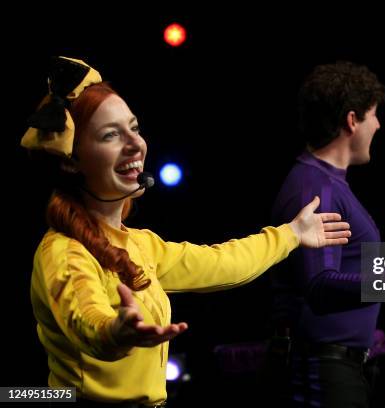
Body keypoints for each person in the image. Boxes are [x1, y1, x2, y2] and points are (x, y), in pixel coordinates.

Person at [22, 56, 351, 407]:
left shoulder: (140, 244)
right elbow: (86, 319)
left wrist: (291, 234)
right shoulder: (63, 251)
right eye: (110, 135)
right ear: (71, 160)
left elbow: (220, 262)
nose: (136, 144)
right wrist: (115, 332)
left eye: (134, 128)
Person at [268, 61, 385, 407]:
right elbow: (320, 286)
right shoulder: (315, 187)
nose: (379, 124)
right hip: (322, 371)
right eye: (374, 114)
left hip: (338, 367)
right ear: (352, 120)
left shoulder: (328, 183)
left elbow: (349, 262)